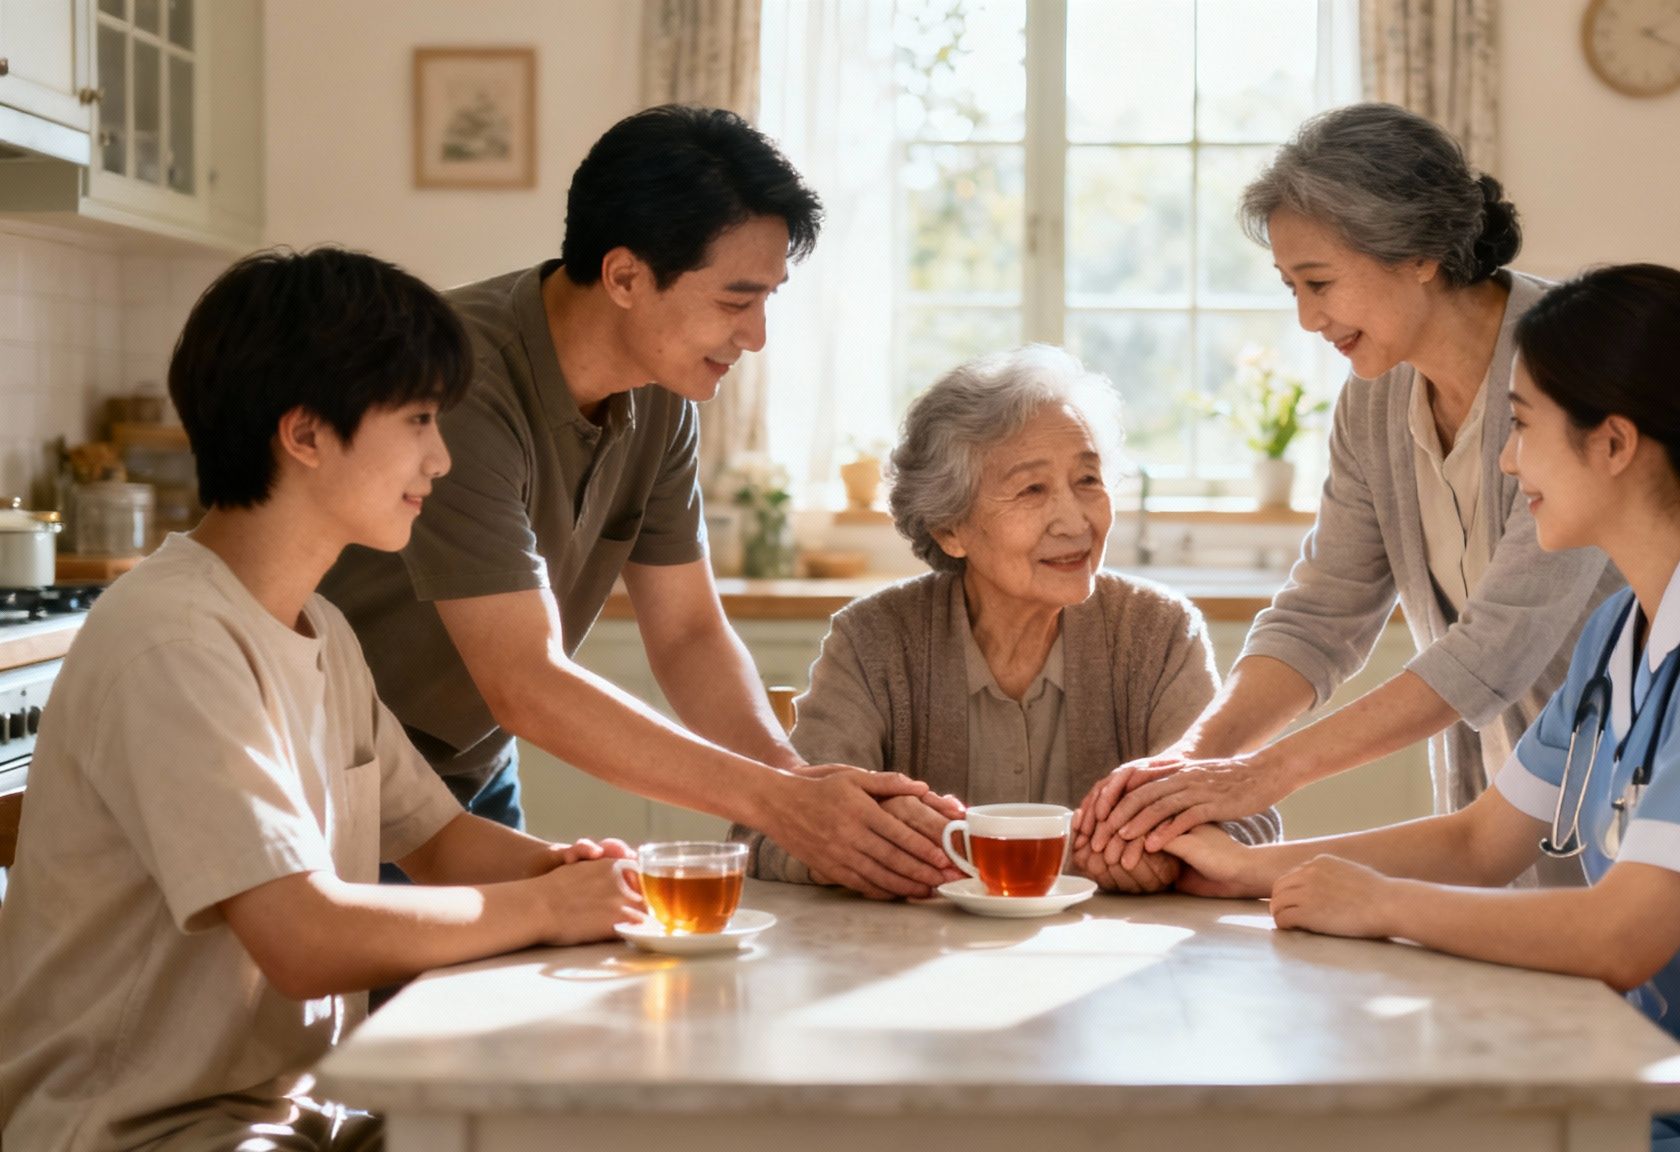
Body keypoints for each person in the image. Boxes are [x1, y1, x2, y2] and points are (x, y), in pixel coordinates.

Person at [1164, 264, 1680, 1150]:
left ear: (1613, 443)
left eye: (1522, 425)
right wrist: (1244, 870)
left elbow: (1622, 937)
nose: (1507, 460)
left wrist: (1380, 904)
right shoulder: (1622, 629)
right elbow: (1481, 843)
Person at [0, 248, 645, 1152]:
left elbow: (438, 841)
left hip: (295, 1115)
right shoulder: (175, 640)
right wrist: (549, 909)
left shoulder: (320, 628)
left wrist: (579, 876)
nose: (441, 457)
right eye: (418, 420)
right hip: (140, 1132)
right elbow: (302, 937)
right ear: (305, 434)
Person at [319, 105, 956, 901]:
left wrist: (793, 780)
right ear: (624, 277)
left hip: (473, 769)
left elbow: (688, 634)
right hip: (342, 768)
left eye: (768, 299)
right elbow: (524, 680)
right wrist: (779, 804)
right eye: (736, 301)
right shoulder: (456, 376)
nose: (757, 336)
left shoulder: (661, 395)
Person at [1080, 102, 1619, 874]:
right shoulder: (1374, 402)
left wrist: (1258, 777)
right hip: (1506, 815)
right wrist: (1188, 764)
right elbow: (1321, 616)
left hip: (1637, 793)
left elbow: (1496, 647)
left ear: (1419, 252)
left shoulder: (1574, 367)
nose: (1307, 318)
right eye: (1290, 287)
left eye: (1320, 282)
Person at [733, 347, 1279, 892]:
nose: (1074, 522)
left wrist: (1172, 856)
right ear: (951, 529)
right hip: (920, 944)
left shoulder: (1157, 633)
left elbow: (1249, 818)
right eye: (1032, 489)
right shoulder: (874, 641)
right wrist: (864, 848)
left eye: (1088, 479)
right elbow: (765, 830)